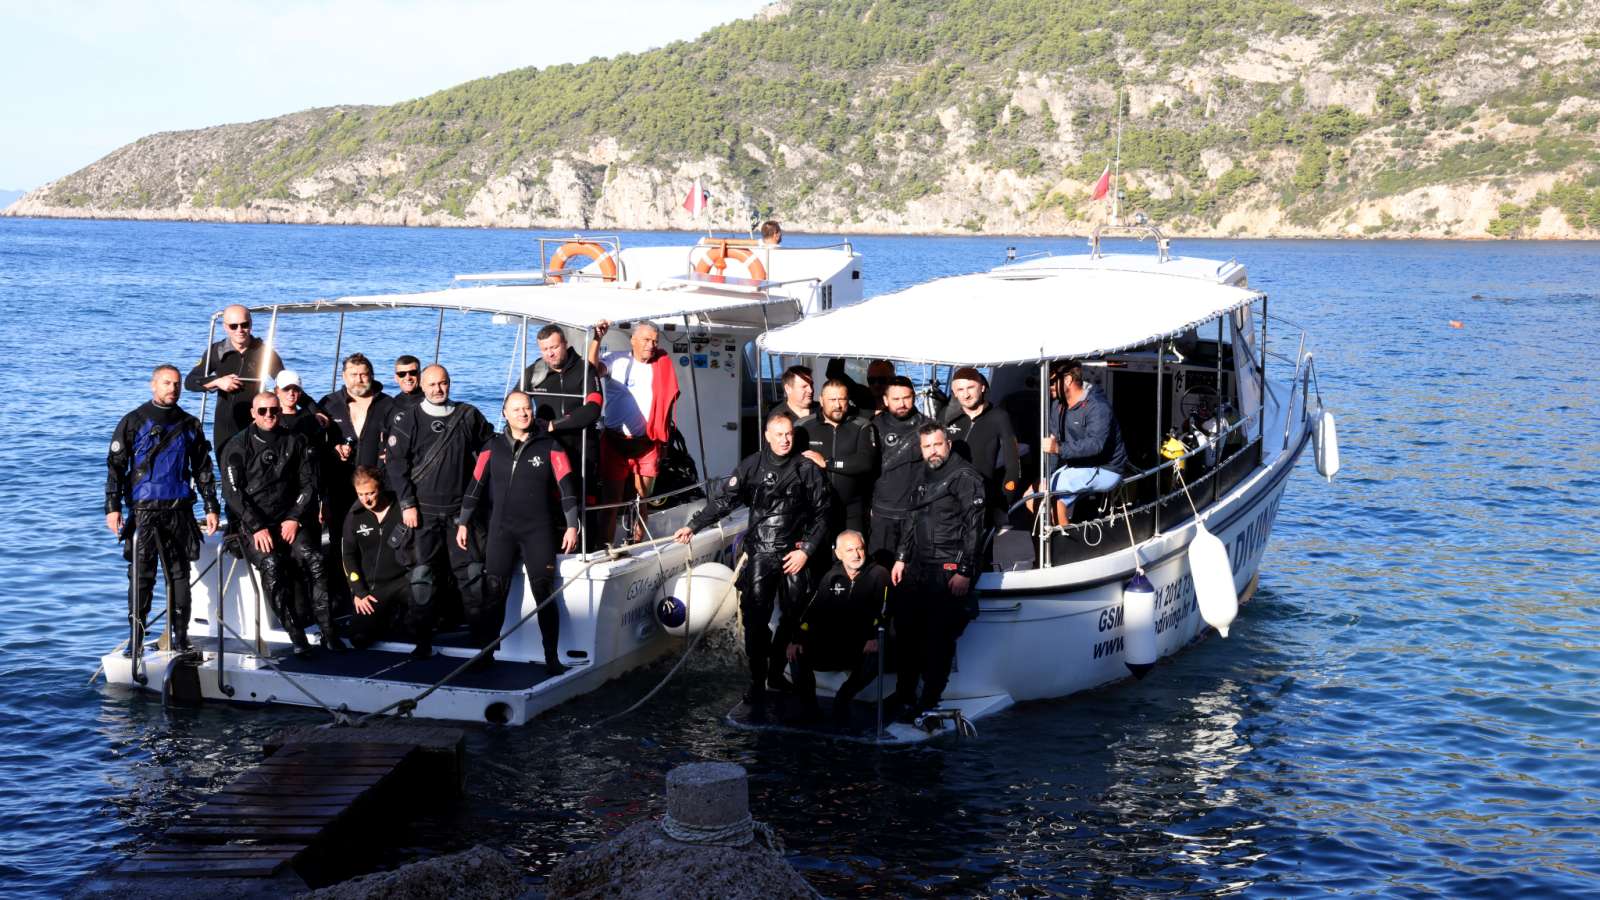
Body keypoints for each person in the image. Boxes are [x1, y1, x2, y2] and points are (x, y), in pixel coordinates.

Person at [672, 414, 830, 721]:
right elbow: (724, 502)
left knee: (795, 614)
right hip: (761, 552)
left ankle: (777, 672)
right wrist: (694, 525)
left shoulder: (806, 469)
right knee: (756, 620)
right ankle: (758, 681)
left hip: (795, 552)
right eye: (779, 434)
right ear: (767, 435)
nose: (785, 439)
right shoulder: (752, 466)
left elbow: (823, 514)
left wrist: (807, 550)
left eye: (789, 434)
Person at [456, 392, 581, 671]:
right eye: (516, 409)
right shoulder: (492, 446)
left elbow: (568, 490)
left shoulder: (551, 447)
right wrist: (463, 521)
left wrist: (572, 525)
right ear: (504, 414)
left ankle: (552, 657)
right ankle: (487, 654)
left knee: (544, 593)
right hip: (501, 531)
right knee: (493, 594)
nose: (523, 413)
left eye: (527, 408)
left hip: (538, 531)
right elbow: (474, 486)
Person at [106, 364, 221, 654]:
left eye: (177, 383)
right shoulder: (133, 422)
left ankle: (180, 637)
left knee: (179, 574)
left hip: (179, 511)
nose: (173, 388)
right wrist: (112, 506)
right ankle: (136, 639)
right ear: (153, 385)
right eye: (167, 383)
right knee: (142, 576)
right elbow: (116, 468)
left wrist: (211, 506)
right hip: (144, 512)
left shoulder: (190, 424)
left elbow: (203, 469)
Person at [221, 391, 342, 654]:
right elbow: (232, 494)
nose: (269, 416)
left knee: (315, 559)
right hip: (253, 524)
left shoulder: (295, 441)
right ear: (253, 413)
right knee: (272, 565)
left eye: (274, 411)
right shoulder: (237, 446)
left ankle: (328, 631)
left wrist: (294, 518)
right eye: (262, 411)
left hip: (288, 520)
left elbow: (309, 484)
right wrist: (256, 526)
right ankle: (296, 636)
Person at [386, 364, 495, 656]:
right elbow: (396, 466)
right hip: (422, 513)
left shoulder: (468, 415)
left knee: (471, 576)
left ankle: (482, 644)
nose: (438, 389)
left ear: (450, 384)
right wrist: (407, 504)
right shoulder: (408, 419)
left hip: (461, 513)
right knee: (422, 578)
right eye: (432, 384)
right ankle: (422, 642)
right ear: (422, 386)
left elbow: (491, 449)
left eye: (443, 383)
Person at [889, 424, 987, 723]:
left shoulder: (966, 477)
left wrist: (965, 571)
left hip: (949, 567)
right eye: (926, 446)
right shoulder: (921, 475)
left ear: (948, 444)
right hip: (918, 566)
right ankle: (904, 693)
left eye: (937, 445)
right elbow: (910, 519)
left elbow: (975, 528)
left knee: (938, 639)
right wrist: (901, 558)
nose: (932, 451)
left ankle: (930, 699)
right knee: (906, 633)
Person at [588, 319, 679, 544]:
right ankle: (605, 548)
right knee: (611, 502)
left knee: (641, 501)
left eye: (655, 341)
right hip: (614, 443)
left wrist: (664, 443)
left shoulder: (661, 364)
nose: (651, 345)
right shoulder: (617, 360)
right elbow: (592, 369)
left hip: (646, 444)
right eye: (646, 340)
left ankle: (637, 546)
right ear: (633, 340)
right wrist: (597, 339)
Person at [786, 530, 889, 725]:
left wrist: (875, 636)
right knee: (795, 651)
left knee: (879, 650)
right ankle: (809, 709)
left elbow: (885, 611)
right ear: (839, 554)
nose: (856, 555)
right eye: (850, 550)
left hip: (862, 646)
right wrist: (797, 639)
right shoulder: (831, 576)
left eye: (860, 549)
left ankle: (843, 698)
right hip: (833, 645)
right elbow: (812, 612)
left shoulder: (879, 575)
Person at [319, 353, 395, 569]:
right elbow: (314, 446)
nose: (359, 380)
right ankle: (341, 595)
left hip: (377, 489)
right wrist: (333, 448)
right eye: (353, 375)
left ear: (372, 375)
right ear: (344, 376)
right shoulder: (328, 404)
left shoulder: (388, 404)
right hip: (338, 488)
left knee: (374, 543)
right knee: (338, 544)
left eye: (364, 374)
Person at [186, 304, 284, 465]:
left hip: (257, 423)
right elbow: (190, 382)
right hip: (225, 427)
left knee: (257, 477)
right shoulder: (217, 351)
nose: (240, 330)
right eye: (234, 326)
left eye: (244, 325)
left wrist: (314, 410)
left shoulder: (265, 352)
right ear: (225, 327)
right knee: (228, 476)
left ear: (251, 324)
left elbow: (286, 385)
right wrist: (218, 382)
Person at [522, 324, 603, 503]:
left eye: (554, 347)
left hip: (582, 450)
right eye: (545, 349)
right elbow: (513, 402)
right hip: (547, 449)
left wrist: (553, 425)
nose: (550, 354)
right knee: (549, 505)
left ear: (565, 344)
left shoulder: (585, 369)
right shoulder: (534, 372)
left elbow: (594, 408)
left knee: (584, 506)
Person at [1040, 360, 1128, 521]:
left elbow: (1096, 444)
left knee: (1055, 499)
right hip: (1077, 466)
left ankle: (1064, 544)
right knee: (1034, 496)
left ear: (1067, 380)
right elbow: (1053, 447)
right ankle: (1042, 543)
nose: (1048, 386)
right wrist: (1047, 476)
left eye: (1051, 381)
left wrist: (1059, 448)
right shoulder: (1057, 407)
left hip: (1106, 468)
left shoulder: (1098, 407)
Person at [798, 378, 878, 538]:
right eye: (832, 399)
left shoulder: (862, 425)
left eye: (842, 399)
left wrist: (827, 463)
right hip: (814, 509)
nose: (837, 405)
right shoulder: (804, 426)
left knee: (852, 559)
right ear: (821, 400)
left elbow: (865, 462)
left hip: (852, 510)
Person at [340, 466, 409, 649]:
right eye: (360, 494)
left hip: (404, 580)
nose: (366, 500)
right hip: (374, 587)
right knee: (359, 639)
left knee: (419, 626)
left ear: (381, 488)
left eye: (370, 493)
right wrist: (358, 591)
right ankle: (386, 616)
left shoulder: (401, 507)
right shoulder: (354, 516)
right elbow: (348, 555)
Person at [943, 367, 1022, 526]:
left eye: (971, 387)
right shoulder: (947, 416)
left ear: (982, 387)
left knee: (980, 549)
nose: (966, 394)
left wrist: (1003, 502)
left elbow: (1013, 465)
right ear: (954, 392)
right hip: (949, 497)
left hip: (982, 498)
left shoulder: (999, 417)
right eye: (960, 389)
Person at [867, 376, 929, 567]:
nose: (902, 403)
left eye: (907, 397)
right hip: (882, 514)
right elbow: (866, 469)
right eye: (896, 399)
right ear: (885, 400)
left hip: (915, 512)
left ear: (914, 397)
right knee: (881, 567)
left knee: (912, 570)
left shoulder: (928, 427)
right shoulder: (874, 426)